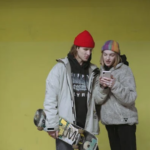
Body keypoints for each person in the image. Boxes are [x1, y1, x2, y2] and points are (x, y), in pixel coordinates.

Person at [43, 30, 107, 150]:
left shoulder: (94, 71)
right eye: (85, 49)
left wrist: (104, 88)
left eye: (91, 50)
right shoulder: (60, 69)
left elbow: (98, 100)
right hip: (65, 128)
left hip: (87, 128)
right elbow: (50, 98)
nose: (88, 53)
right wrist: (51, 126)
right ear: (76, 48)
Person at [97, 40, 138, 150]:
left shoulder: (125, 70)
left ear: (117, 55)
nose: (108, 58)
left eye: (111, 55)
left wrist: (114, 85)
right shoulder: (99, 73)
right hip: (110, 123)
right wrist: (103, 87)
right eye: (105, 54)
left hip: (125, 122)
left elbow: (131, 98)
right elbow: (98, 100)